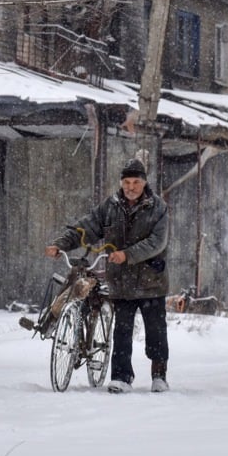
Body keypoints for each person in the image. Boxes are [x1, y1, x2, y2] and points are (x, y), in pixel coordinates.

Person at [46, 158, 171, 393]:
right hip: (121, 282)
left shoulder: (158, 208)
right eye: (126, 182)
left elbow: (157, 242)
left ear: (144, 183)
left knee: (155, 332)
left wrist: (127, 254)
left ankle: (159, 375)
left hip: (151, 282)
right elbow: (86, 228)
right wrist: (61, 244)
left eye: (135, 182)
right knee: (121, 331)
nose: (130, 187)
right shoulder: (110, 206)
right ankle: (121, 377)